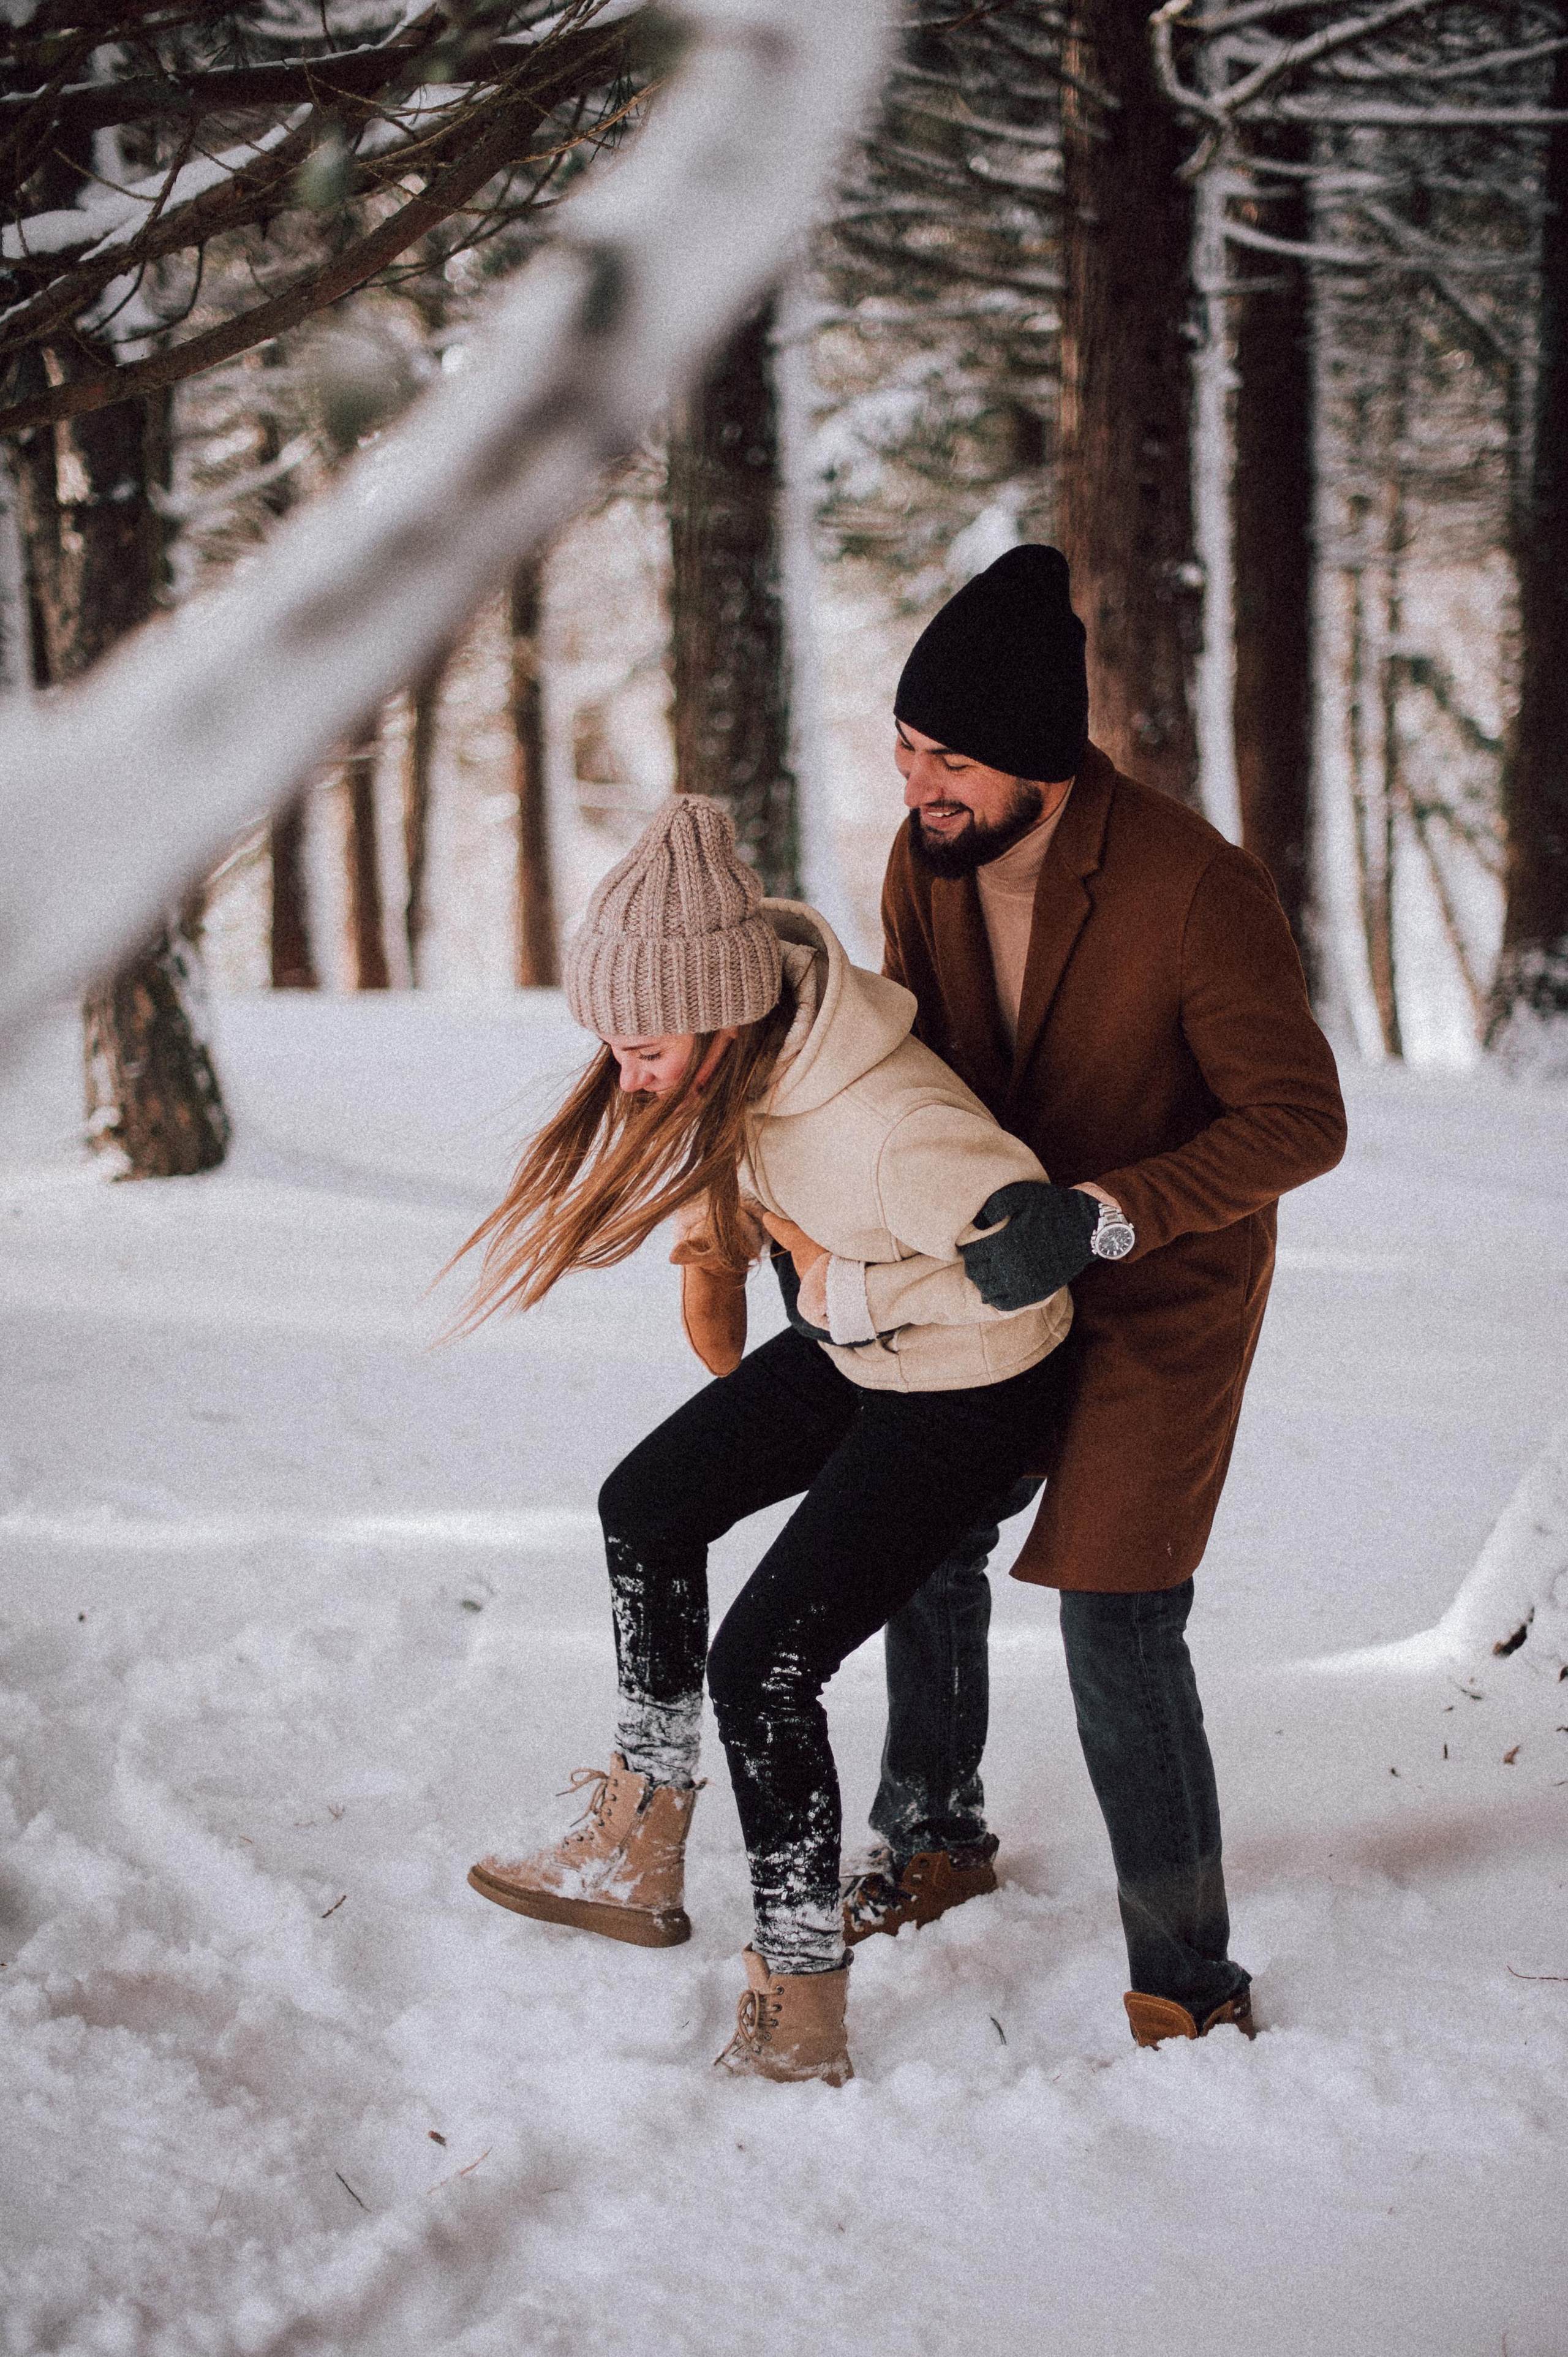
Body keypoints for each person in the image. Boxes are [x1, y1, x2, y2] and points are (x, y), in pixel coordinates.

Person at [453, 792, 1082, 2086]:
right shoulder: (756, 1039)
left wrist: (853, 1284)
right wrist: (725, 1253)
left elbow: (1026, 1271)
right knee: (647, 1502)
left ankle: (799, 1988)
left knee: (763, 1669)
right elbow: (745, 1166)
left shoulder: (889, 1123)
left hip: (965, 1386)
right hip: (861, 1345)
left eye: (636, 1044)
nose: (621, 1070)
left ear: (719, 1013)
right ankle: (641, 1828)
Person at [840, 543, 1348, 2050]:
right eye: (908, 749)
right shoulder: (917, 861)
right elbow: (909, 1066)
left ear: (1044, 762)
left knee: (1116, 1622)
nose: (921, 782)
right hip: (990, 1267)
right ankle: (931, 1837)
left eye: (954, 759)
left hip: (1158, 1288)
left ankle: (1184, 1980)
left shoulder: (1197, 888)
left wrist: (1108, 1214)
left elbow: (1297, 1123)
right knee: (920, 1527)